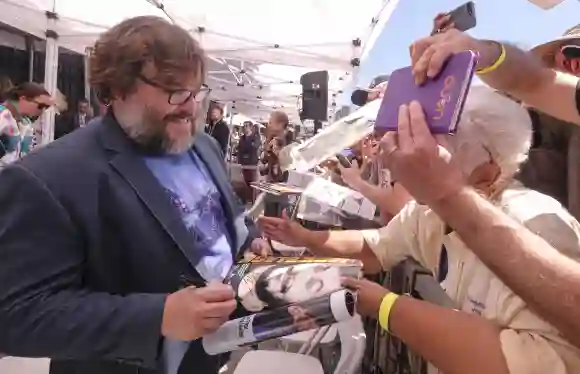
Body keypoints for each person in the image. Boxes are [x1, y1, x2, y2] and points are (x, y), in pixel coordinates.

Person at [0, 16, 270, 374]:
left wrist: (249, 240)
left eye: (196, 91)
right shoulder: (48, 177)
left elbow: (224, 214)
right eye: (174, 90)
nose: (190, 107)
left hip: (208, 356)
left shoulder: (203, 146)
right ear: (119, 86)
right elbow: (16, 315)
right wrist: (158, 316)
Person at [260, 86, 580, 373]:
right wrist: (304, 237)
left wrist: (388, 307)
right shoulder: (429, 211)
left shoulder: (538, 223)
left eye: (427, 146)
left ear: (486, 173)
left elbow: (543, 361)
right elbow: (376, 248)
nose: (397, 155)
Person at [410, 23, 580, 350]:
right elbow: (534, 81)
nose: (565, 67)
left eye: (573, 56)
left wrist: (450, 196)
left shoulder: (540, 216)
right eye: (560, 57)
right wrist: (480, 52)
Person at [0, 82, 52, 165]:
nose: (42, 111)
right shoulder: (2, 115)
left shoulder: (26, 123)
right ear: (23, 99)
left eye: (46, 107)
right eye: (41, 106)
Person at [237, 121, 261, 204]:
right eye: (244, 126)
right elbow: (240, 150)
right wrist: (239, 161)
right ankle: (246, 199)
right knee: (244, 182)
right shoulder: (242, 138)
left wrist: (248, 143)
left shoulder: (255, 137)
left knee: (252, 182)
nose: (245, 127)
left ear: (251, 127)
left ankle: (253, 200)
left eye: (247, 126)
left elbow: (254, 147)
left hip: (252, 164)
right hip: (243, 163)